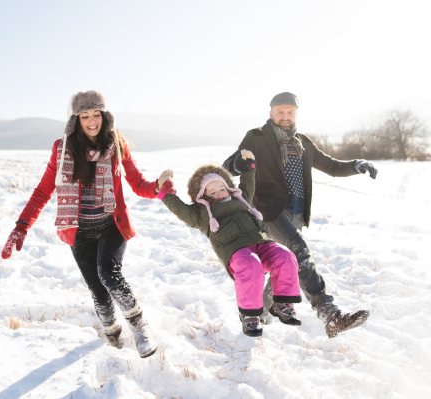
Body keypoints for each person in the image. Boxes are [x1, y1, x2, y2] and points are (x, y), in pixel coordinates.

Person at [1, 90, 166, 358]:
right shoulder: (62, 149)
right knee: (97, 291)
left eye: (96, 114)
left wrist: (158, 188)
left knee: (109, 275)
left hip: (111, 225)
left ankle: (140, 327)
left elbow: (138, 184)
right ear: (75, 119)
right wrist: (22, 225)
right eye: (85, 115)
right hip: (79, 231)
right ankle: (112, 335)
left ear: (104, 115)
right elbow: (43, 191)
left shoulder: (115, 144)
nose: (92, 121)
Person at [222, 92, 377, 338]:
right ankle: (329, 313)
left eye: (290, 112)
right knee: (300, 251)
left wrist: (356, 165)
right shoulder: (257, 137)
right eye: (280, 112)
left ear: (296, 113)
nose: (285, 117)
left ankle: (256, 315)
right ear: (271, 113)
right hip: (268, 212)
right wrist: (237, 165)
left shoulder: (303, 142)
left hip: (297, 213)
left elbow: (332, 166)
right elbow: (228, 165)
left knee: (285, 265)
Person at [155, 150, 302, 337]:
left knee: (286, 256)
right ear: (203, 196)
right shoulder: (202, 214)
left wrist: (249, 164)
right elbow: (179, 207)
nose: (220, 194)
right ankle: (250, 316)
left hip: (261, 241)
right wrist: (165, 188)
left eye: (222, 189)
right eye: (213, 192)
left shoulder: (240, 199)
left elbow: (248, 183)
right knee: (251, 266)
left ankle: (282, 303)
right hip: (236, 251)